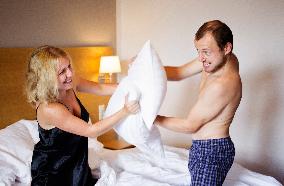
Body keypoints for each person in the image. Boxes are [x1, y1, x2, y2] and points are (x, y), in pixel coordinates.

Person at [25, 46, 140, 186]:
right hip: (54, 171)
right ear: (47, 77)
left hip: (77, 163)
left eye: (69, 66)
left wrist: (133, 78)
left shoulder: (70, 83)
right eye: (62, 71)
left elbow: (101, 88)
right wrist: (125, 111)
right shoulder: (49, 108)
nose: (70, 73)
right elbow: (92, 131)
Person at [155, 20, 242, 185]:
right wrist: (148, 67)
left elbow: (190, 125)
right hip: (204, 147)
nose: (200, 58)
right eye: (198, 51)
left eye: (206, 52)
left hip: (211, 151)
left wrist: (152, 117)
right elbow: (179, 72)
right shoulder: (220, 59)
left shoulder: (222, 84)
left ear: (226, 48)